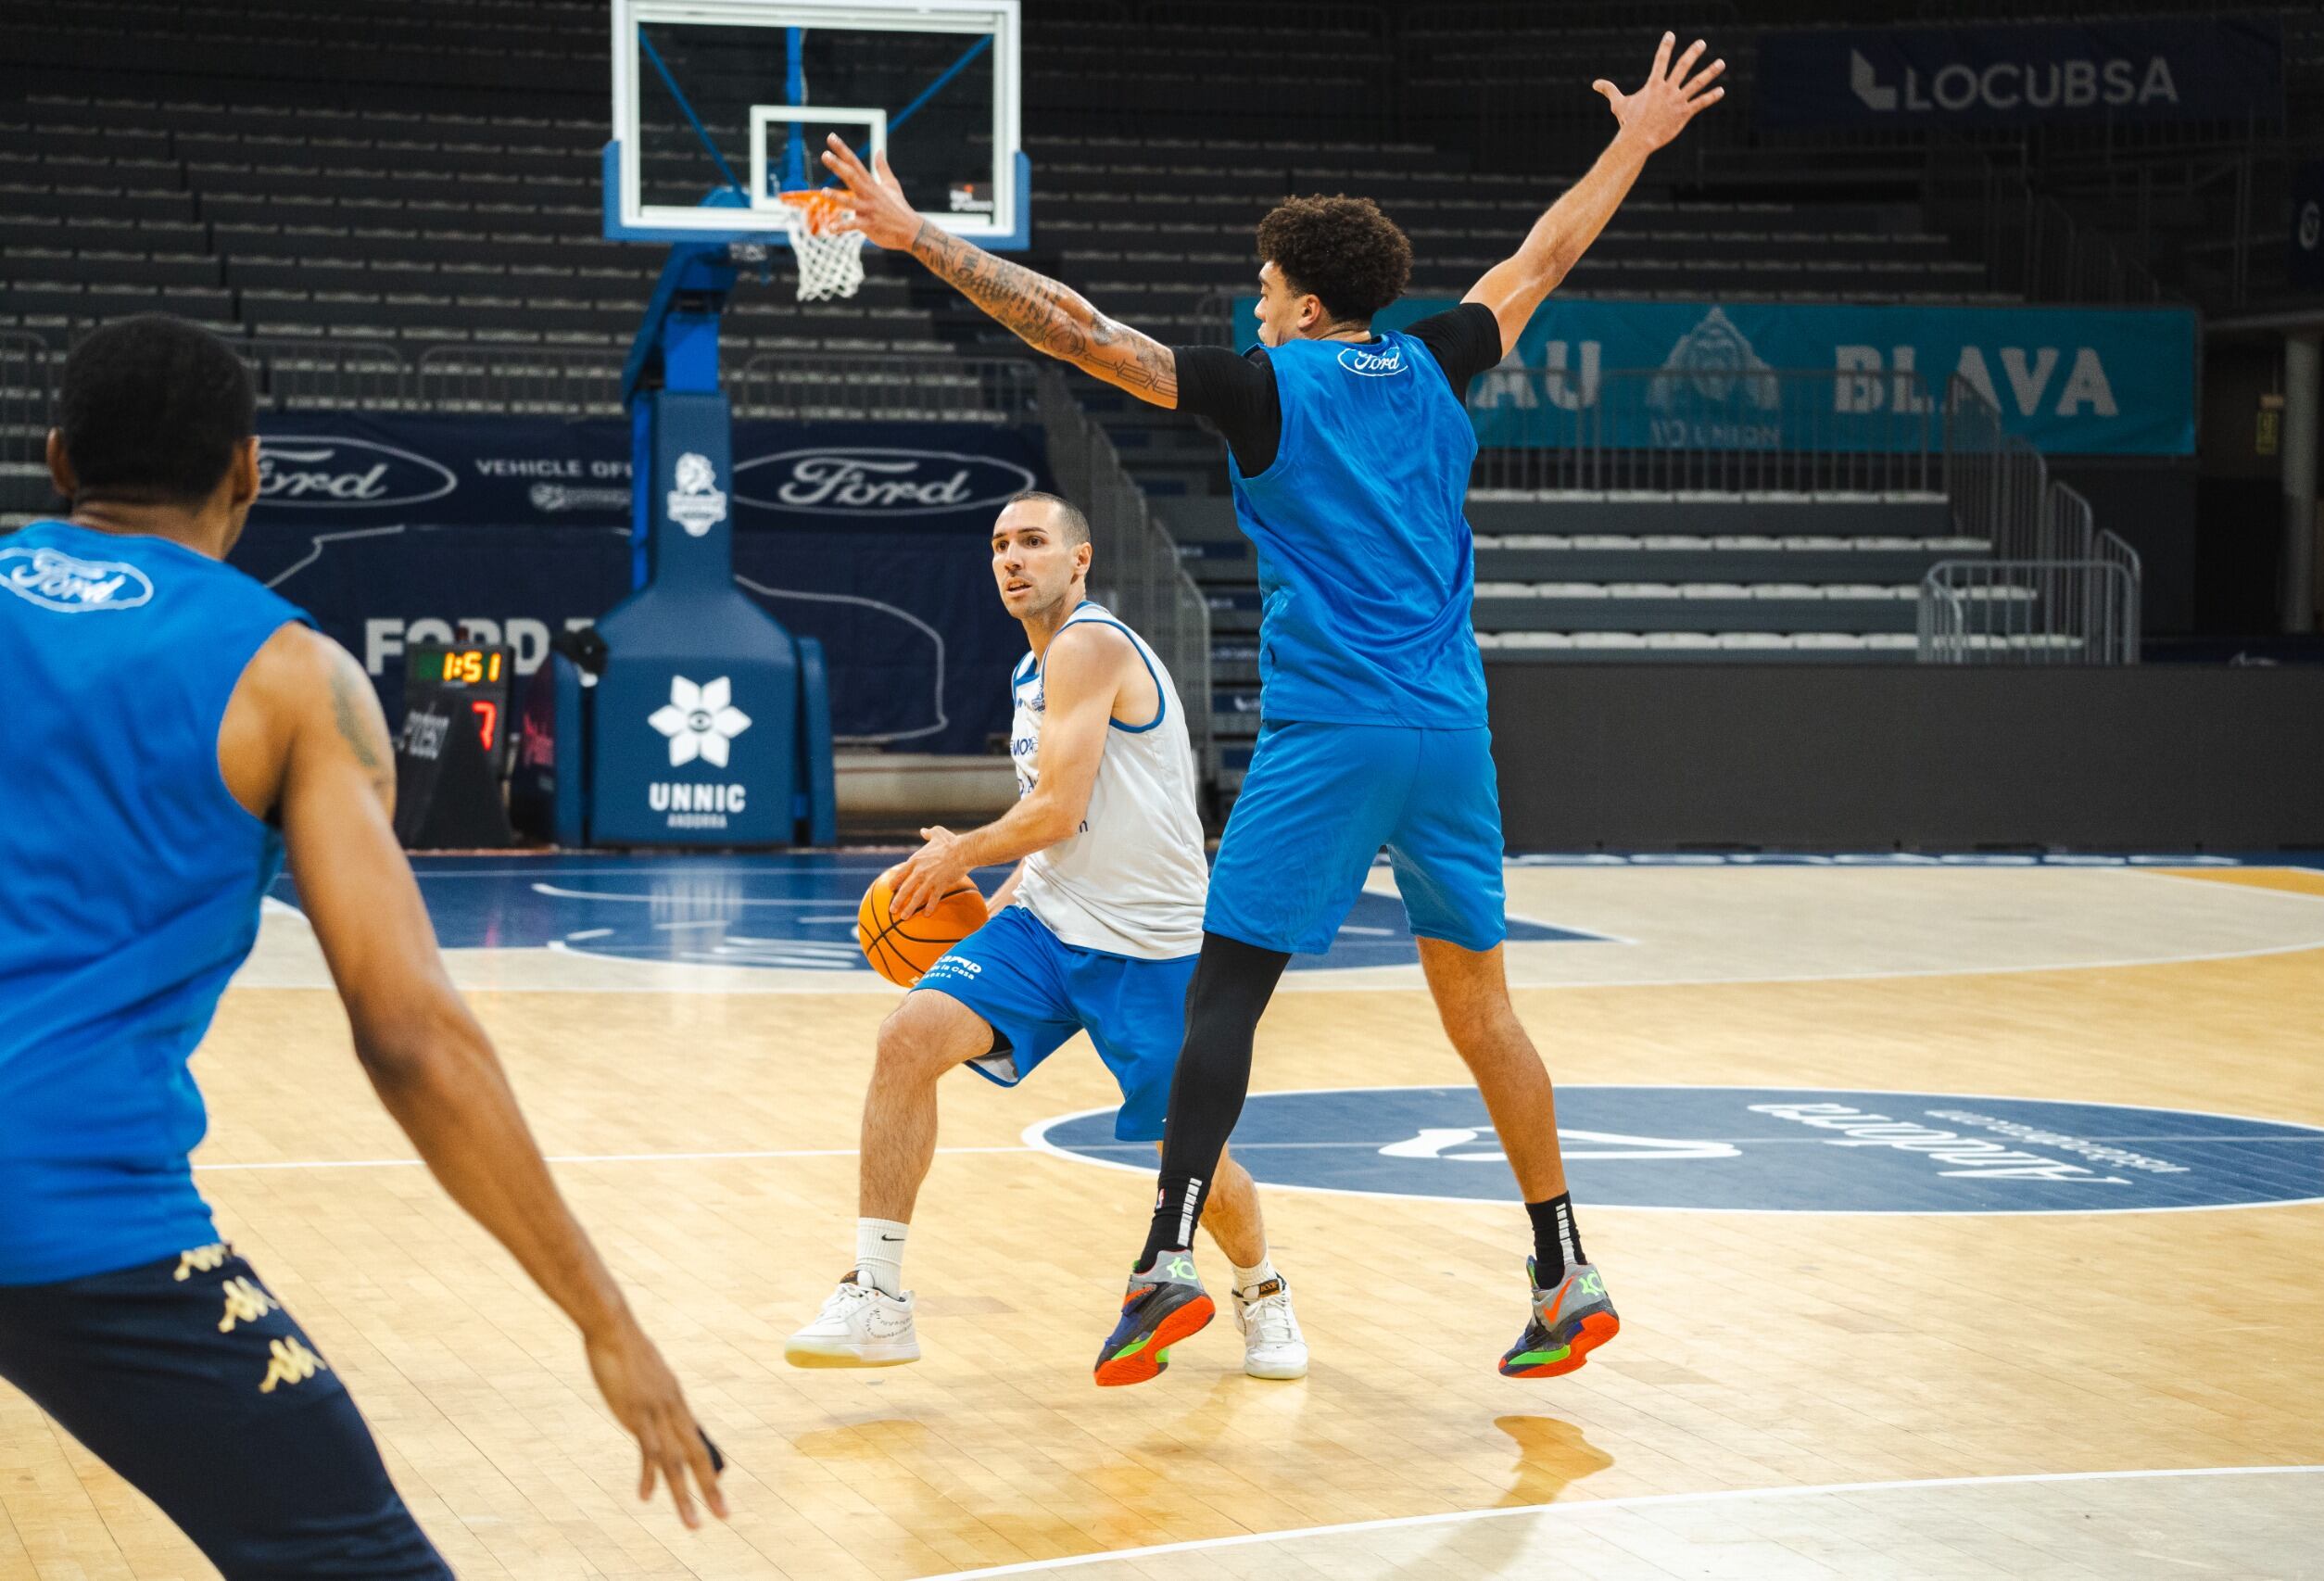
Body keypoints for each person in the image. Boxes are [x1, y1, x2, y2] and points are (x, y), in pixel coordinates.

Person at [819, 35, 1724, 1385]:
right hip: (1453, 736)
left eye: (1262, 287)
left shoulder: (1267, 389)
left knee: (1227, 994)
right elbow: (1541, 256)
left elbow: (1077, 329)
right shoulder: (1435, 362)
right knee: (1486, 1015)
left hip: (1335, 732)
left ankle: (1169, 1257)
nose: (1252, 304)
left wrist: (922, 239)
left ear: (1303, 305)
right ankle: (1562, 1266)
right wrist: (1636, 144)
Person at [0, 315, 727, 1576]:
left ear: (58, 459)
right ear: (249, 471)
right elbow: (408, 1029)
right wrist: (605, 1318)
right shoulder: (290, 678)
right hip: (69, 1207)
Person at [784, 491, 1307, 1386]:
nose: (1012, 559)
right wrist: (995, 905)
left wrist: (960, 853)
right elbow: (1060, 828)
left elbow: (1056, 806)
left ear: (1080, 560)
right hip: (1047, 924)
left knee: (1191, 1156)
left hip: (1153, 946)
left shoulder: (1092, 645)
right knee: (908, 1036)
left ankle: (1261, 1293)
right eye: (998, 546)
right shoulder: (1031, 672)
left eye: (1033, 541)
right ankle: (877, 1295)